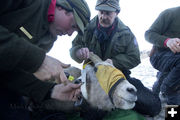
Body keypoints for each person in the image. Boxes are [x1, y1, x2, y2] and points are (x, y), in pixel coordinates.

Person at [0, 0, 90, 120]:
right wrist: (37, 60)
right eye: (73, 26)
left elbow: (13, 73)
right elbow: (32, 59)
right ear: (61, 7)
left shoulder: (48, 41)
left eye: (74, 32)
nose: (69, 34)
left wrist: (50, 90)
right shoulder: (29, 3)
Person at [70, 0, 161, 118]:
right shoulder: (86, 28)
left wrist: (114, 62)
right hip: (94, 79)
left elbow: (134, 58)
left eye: (108, 13)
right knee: (91, 115)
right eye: (101, 12)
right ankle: (111, 101)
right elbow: (74, 48)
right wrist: (78, 52)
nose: (103, 16)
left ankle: (118, 100)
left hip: (120, 77)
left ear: (117, 12)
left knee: (153, 106)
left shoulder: (126, 33)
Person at [145, 6, 180, 105]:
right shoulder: (170, 13)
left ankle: (160, 84)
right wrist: (167, 41)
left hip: (176, 61)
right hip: (158, 55)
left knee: (173, 77)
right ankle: (167, 88)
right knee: (173, 88)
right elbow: (148, 34)